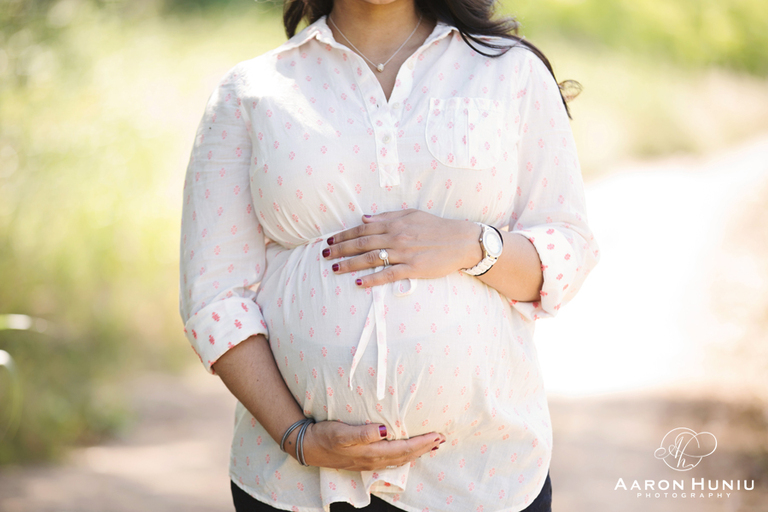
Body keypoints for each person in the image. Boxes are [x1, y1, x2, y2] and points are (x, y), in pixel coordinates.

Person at [178, 0, 600, 510]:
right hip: (295, 485)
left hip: (485, 477)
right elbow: (214, 296)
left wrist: (472, 245)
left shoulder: (508, 73)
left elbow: (567, 249)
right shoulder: (252, 91)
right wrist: (297, 437)